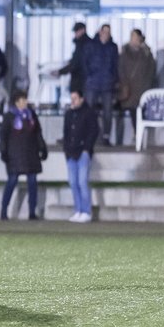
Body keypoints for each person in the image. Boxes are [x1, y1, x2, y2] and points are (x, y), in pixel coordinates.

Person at [0, 91, 47, 220]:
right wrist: (3, 152)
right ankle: (4, 210)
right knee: (12, 181)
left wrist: (43, 148)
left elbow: (38, 133)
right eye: (22, 100)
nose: (25, 102)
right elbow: (3, 136)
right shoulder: (9, 117)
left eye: (25, 100)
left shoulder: (31, 115)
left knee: (32, 182)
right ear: (16, 102)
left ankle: (32, 211)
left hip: (31, 154)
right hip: (14, 155)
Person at [62, 90, 98, 223]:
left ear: (82, 99)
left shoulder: (88, 113)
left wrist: (86, 149)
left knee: (82, 182)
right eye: (71, 98)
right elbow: (66, 133)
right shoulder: (69, 114)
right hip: (71, 153)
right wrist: (66, 149)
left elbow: (93, 131)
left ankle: (86, 211)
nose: (73, 101)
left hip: (82, 152)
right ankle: (78, 210)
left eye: (75, 98)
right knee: (73, 182)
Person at [116, 28, 156, 146]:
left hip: (141, 89)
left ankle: (138, 136)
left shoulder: (146, 53)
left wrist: (147, 84)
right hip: (127, 88)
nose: (133, 39)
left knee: (138, 111)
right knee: (124, 112)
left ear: (140, 38)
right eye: (131, 36)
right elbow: (120, 68)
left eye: (135, 36)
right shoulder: (124, 52)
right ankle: (120, 140)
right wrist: (123, 83)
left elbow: (151, 70)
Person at [84, 23, 120, 145]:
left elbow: (115, 65)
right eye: (104, 32)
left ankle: (106, 136)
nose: (106, 34)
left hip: (107, 84)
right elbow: (85, 63)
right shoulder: (91, 45)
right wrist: (90, 75)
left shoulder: (112, 47)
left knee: (107, 112)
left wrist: (114, 80)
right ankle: (89, 135)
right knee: (89, 111)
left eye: (108, 32)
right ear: (100, 32)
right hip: (92, 83)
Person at [52, 21, 91, 96]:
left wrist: (60, 72)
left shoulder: (82, 44)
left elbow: (76, 63)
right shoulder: (84, 43)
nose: (75, 33)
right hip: (85, 80)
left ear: (83, 30)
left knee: (78, 102)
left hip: (81, 81)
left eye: (77, 31)